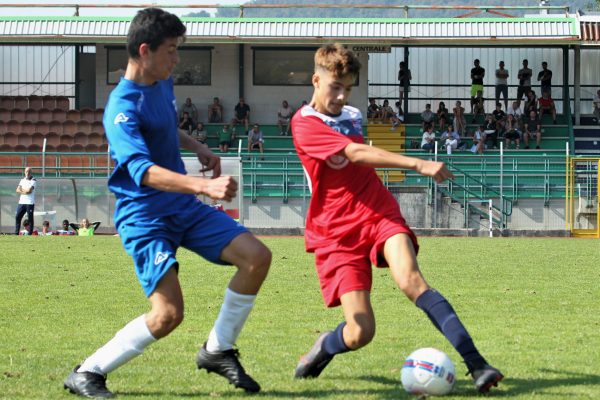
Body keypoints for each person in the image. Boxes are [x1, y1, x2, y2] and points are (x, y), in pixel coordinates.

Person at [63, 8, 271, 398]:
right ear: (145, 51)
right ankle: (88, 372)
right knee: (168, 315)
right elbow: (141, 171)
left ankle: (217, 349)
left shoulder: (161, 82)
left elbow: (163, 125)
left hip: (182, 208)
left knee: (257, 257)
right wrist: (202, 186)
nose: (176, 60)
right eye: (171, 51)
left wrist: (197, 146)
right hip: (145, 217)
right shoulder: (120, 109)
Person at [290, 43, 503, 394]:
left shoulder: (353, 117)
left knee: (412, 281)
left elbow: (361, 158)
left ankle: (477, 365)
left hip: (378, 211)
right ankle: (325, 346)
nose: (342, 96)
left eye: (348, 88)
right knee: (360, 333)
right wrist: (418, 163)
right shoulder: (305, 123)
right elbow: (355, 153)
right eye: (335, 87)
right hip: (336, 232)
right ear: (316, 80)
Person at [15, 166, 36, 235]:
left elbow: (29, 191)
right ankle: (16, 233)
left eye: (29, 171)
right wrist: (25, 192)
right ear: (24, 172)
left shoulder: (33, 180)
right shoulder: (22, 180)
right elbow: (17, 190)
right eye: (26, 171)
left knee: (30, 219)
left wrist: (22, 190)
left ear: (31, 172)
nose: (27, 173)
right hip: (21, 202)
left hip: (29, 203)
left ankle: (30, 234)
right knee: (18, 217)